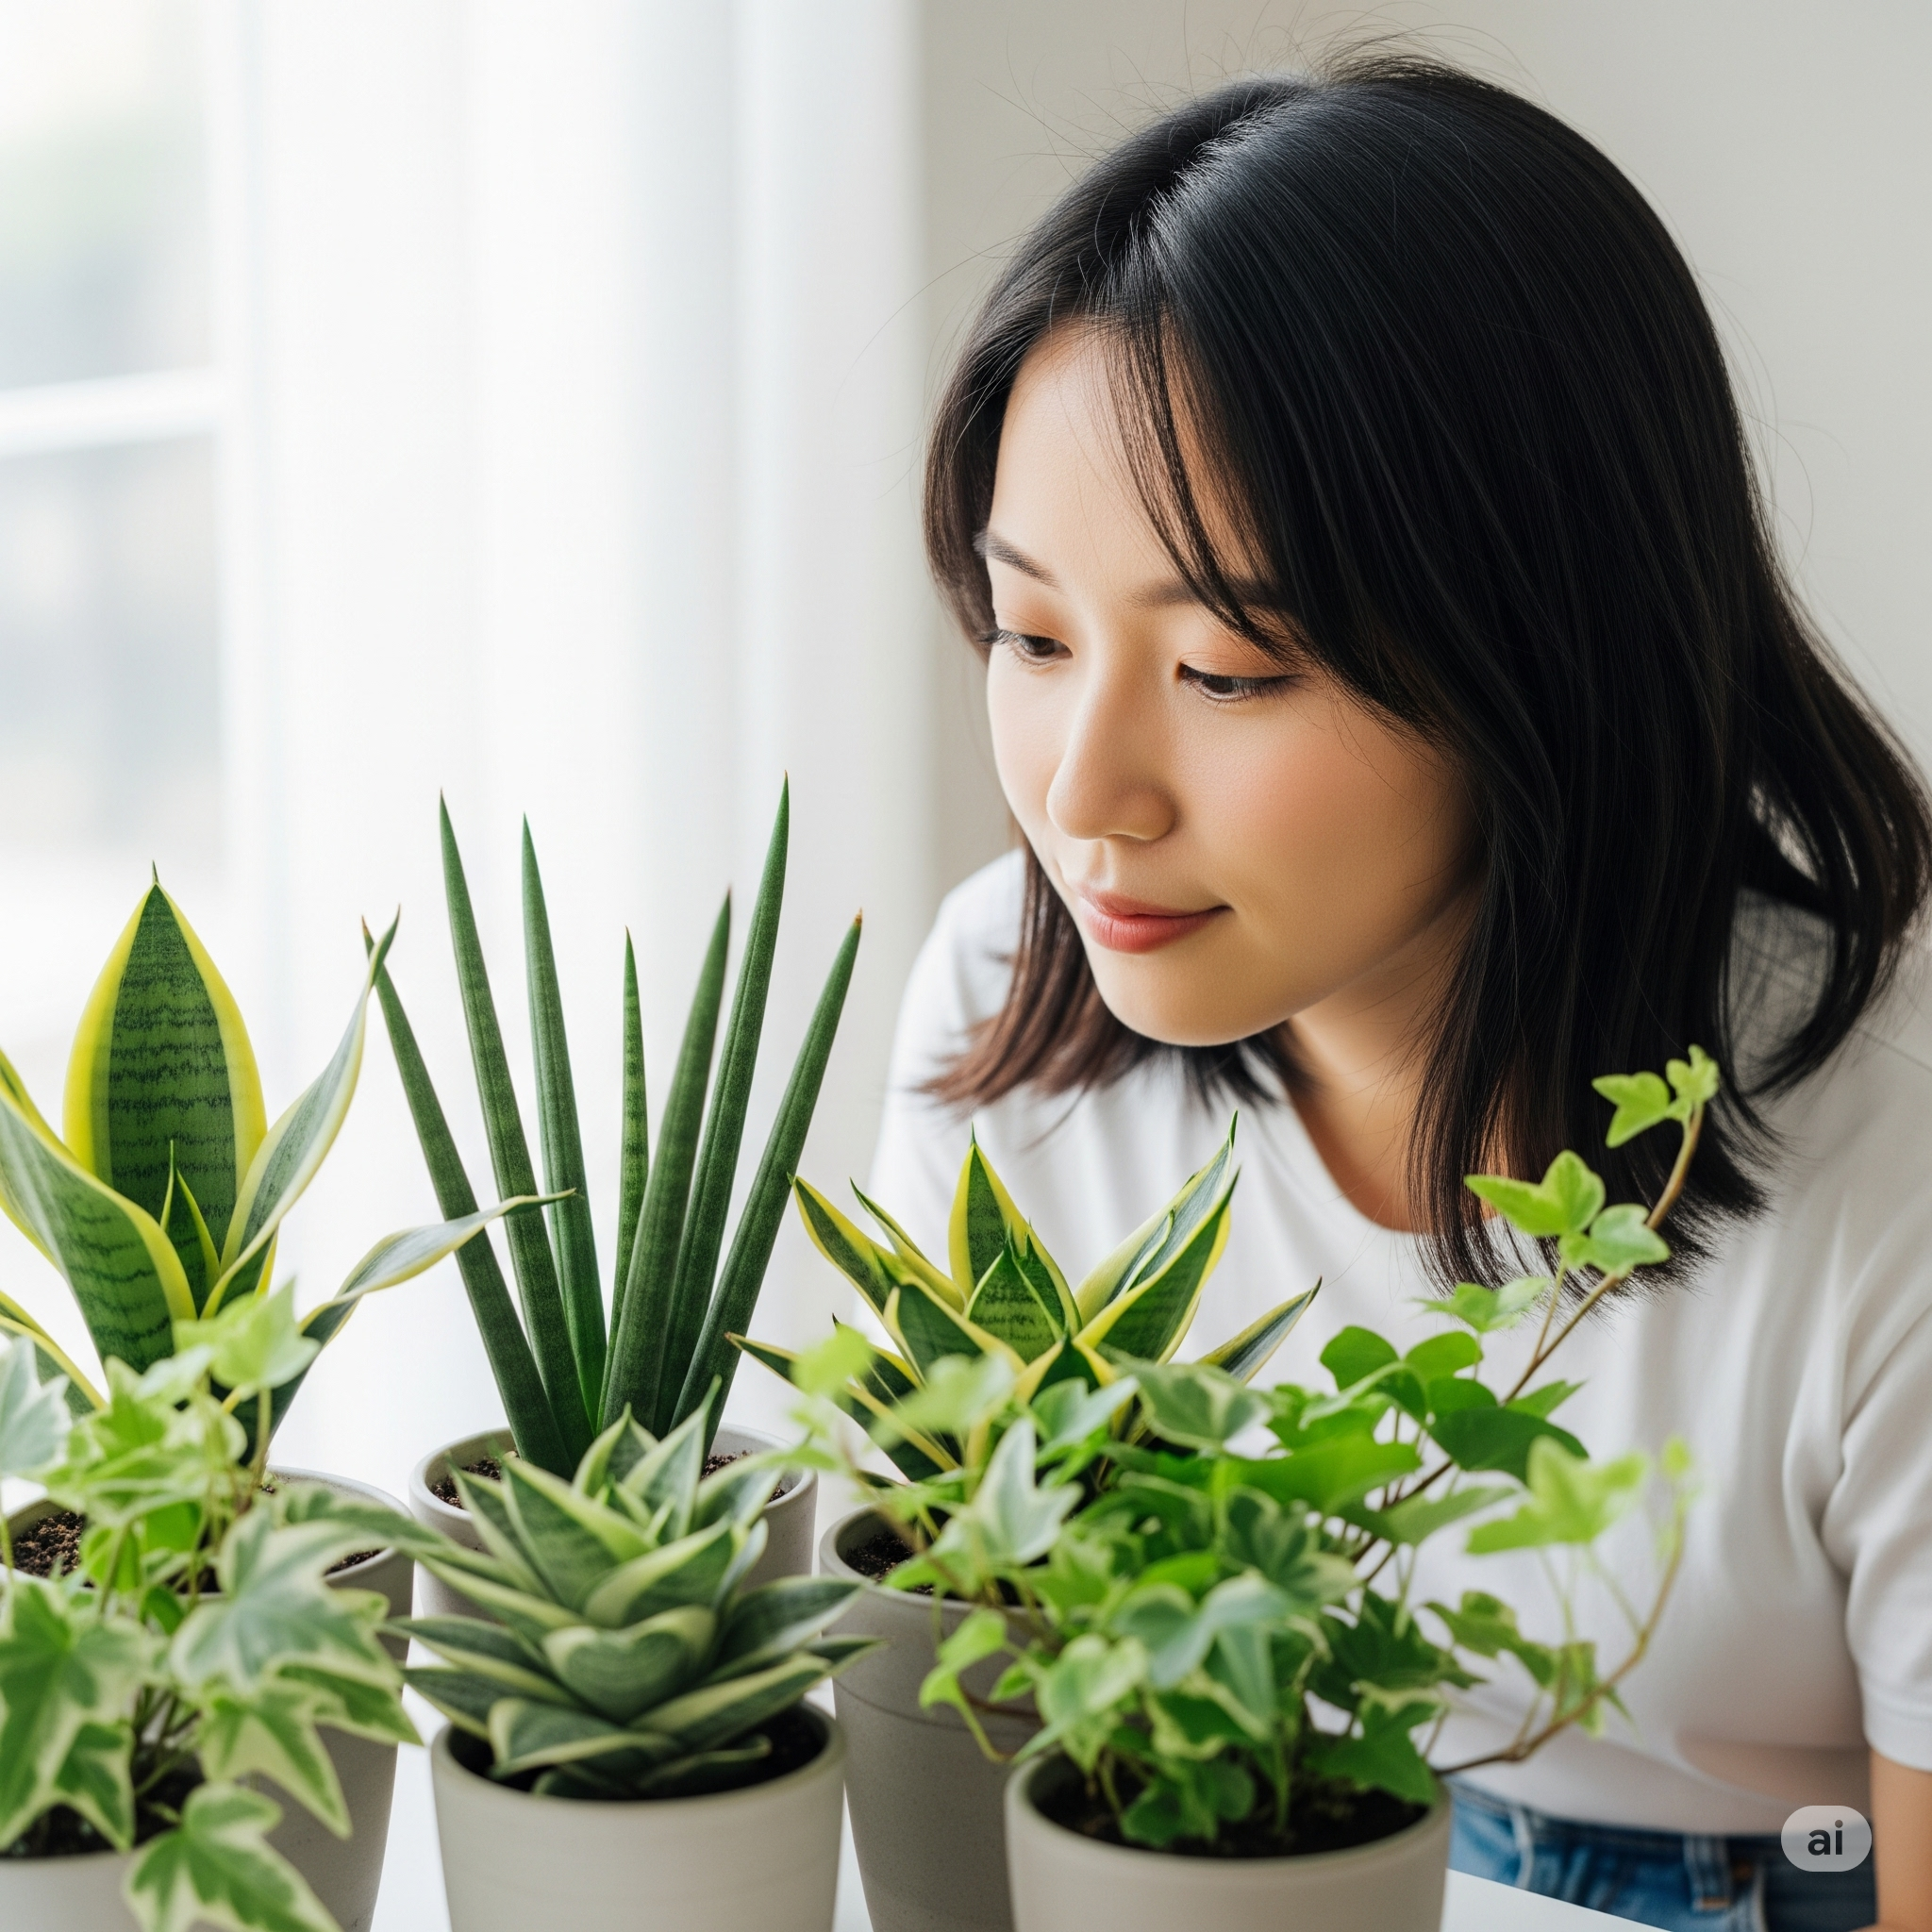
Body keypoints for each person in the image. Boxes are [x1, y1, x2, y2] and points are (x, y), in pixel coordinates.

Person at [867, 58, 1932, 1932]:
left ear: (1535, 650)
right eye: (1030, 635)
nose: (1081, 796)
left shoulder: (1892, 1144)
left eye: (1230, 666)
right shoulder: (1008, 999)